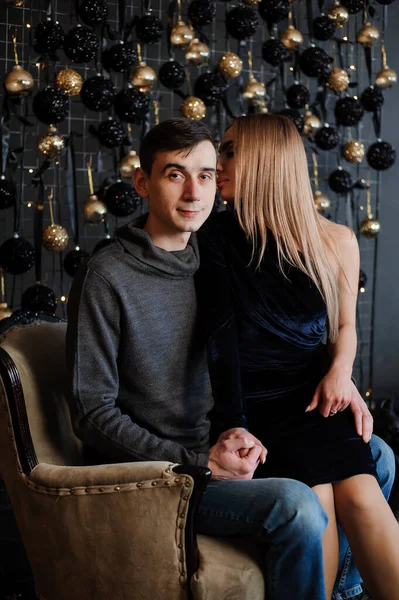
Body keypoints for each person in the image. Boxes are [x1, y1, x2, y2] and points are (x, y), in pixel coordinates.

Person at [66, 118, 394, 600]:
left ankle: (344, 589)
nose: (204, 183)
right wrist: (199, 458)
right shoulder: (121, 270)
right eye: (176, 174)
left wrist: (340, 376)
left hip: (252, 422)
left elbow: (322, 331)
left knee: (379, 458)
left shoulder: (209, 247)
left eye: (209, 169)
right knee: (308, 500)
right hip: (183, 459)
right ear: (143, 182)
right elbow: (91, 410)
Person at [195, 113, 399, 600]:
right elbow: (218, 346)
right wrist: (230, 423)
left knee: (363, 496)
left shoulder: (333, 240)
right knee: (321, 497)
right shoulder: (212, 238)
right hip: (253, 409)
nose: (214, 163)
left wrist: (341, 373)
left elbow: (346, 327)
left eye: (228, 151)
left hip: (313, 397)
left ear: (267, 160)